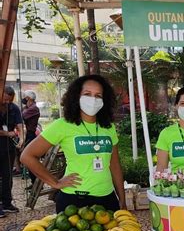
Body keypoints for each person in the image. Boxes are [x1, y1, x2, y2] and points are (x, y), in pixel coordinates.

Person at [20, 75, 126, 213]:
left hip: (107, 199)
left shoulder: (108, 127)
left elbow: (115, 165)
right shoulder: (63, 125)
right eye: (87, 94)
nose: (93, 99)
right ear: (76, 97)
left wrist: (122, 199)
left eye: (98, 96)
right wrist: (55, 182)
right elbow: (27, 156)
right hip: (75, 201)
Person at [0, 86, 23, 217]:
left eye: (10, 100)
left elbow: (20, 126)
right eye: (5, 99)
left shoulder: (14, 108)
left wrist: (21, 139)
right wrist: (7, 133)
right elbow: (9, 132)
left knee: (8, 176)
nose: (7, 102)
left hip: (8, 148)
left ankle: (7, 203)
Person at [21, 90, 40, 184]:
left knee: (29, 158)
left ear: (28, 98)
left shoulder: (33, 108)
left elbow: (22, 116)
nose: (23, 99)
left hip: (31, 135)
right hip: (29, 134)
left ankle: (35, 181)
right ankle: (34, 181)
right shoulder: (30, 108)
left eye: (25, 97)